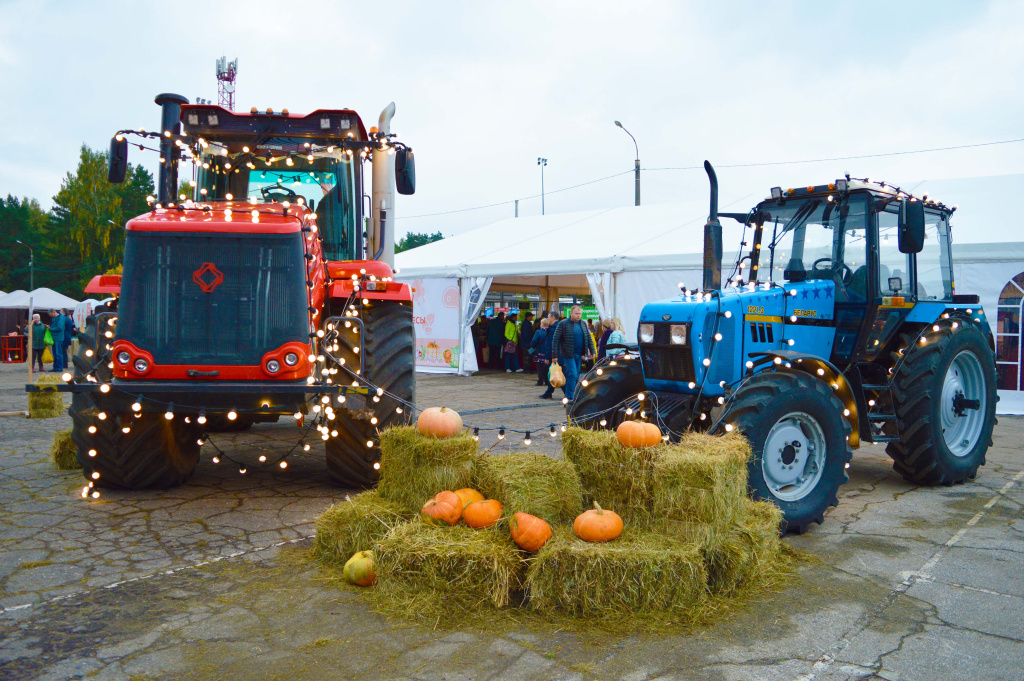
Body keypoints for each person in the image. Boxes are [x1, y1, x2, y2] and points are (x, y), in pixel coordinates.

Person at [549, 305, 596, 401]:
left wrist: (592, 350)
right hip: (568, 353)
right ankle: (569, 397)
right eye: (576, 314)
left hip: (579, 354)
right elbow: (555, 340)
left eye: (580, 314)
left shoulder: (583, 324)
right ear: (571, 313)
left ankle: (572, 395)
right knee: (573, 374)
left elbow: (588, 338)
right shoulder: (563, 324)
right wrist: (554, 355)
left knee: (576, 375)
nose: (578, 315)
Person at [529, 318, 551, 387]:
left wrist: (532, 346)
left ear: (542, 324)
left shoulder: (538, 332)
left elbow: (534, 342)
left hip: (539, 352)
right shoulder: (551, 332)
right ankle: (547, 381)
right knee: (547, 367)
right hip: (548, 353)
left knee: (540, 367)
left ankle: (540, 381)